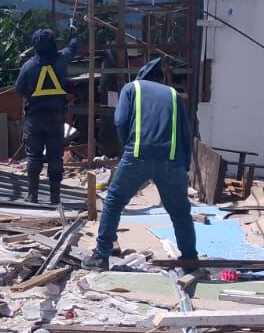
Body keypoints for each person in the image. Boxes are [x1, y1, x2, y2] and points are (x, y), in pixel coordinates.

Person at [86, 57, 197, 269]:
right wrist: (184, 166)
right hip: (171, 159)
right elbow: (186, 134)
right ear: (161, 78)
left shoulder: (131, 88)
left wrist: (129, 145)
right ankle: (190, 258)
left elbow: (119, 121)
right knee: (180, 212)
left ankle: (101, 255)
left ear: (141, 76)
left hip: (138, 155)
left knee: (115, 201)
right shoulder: (174, 95)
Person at [14, 27, 78, 204]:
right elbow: (72, 48)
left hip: (35, 118)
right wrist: (73, 33)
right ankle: (55, 198)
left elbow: (18, 89)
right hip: (56, 118)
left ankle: (32, 196)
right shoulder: (61, 59)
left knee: (34, 156)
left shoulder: (28, 66)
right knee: (55, 157)